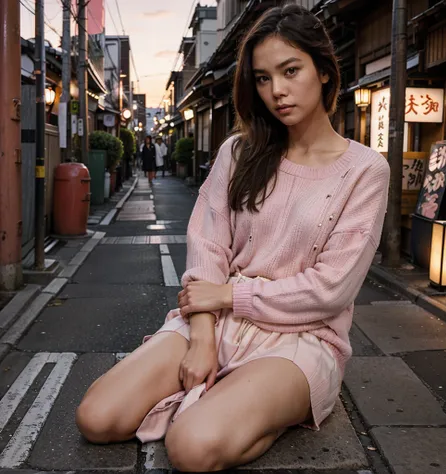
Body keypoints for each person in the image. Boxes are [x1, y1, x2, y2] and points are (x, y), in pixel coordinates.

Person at [76, 4, 390, 472]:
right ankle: (226, 397)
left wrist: (228, 295)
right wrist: (202, 335)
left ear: (324, 71)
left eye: (290, 71)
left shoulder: (365, 170)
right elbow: (207, 244)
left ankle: (262, 406)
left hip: (302, 338)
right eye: (262, 78)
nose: (276, 91)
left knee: (192, 448)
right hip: (216, 319)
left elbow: (330, 290)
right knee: (97, 418)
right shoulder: (240, 151)